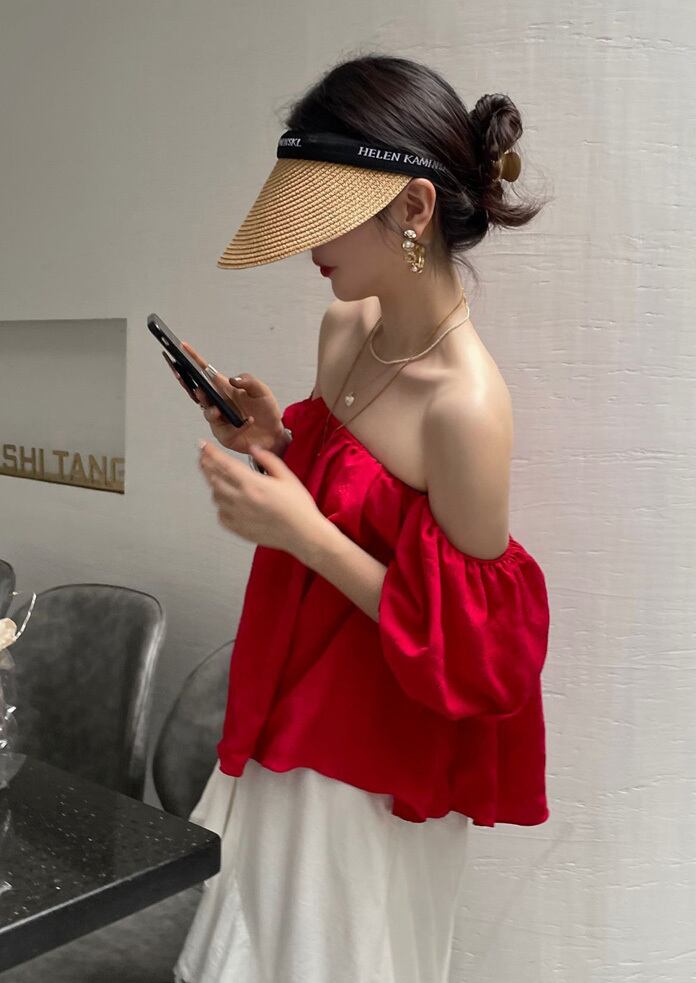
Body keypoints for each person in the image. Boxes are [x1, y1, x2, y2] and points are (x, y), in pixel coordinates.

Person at [170, 53, 551, 983]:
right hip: (284, 714)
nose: (308, 242)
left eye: (324, 212)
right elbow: (349, 506)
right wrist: (274, 442)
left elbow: (471, 650)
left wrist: (300, 530)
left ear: (413, 209)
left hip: (371, 767)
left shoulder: (467, 406)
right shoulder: (347, 330)